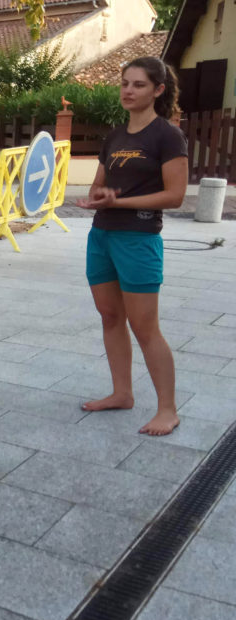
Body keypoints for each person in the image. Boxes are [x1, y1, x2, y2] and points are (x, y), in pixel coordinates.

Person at [76, 56, 187, 436]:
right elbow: (97, 186)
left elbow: (175, 196)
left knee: (145, 327)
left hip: (138, 239)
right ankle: (122, 393)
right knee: (110, 316)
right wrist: (98, 197)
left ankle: (168, 410)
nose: (128, 90)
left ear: (158, 90)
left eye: (138, 84)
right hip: (102, 234)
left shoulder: (167, 136)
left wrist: (118, 202)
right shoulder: (114, 136)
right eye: (124, 83)